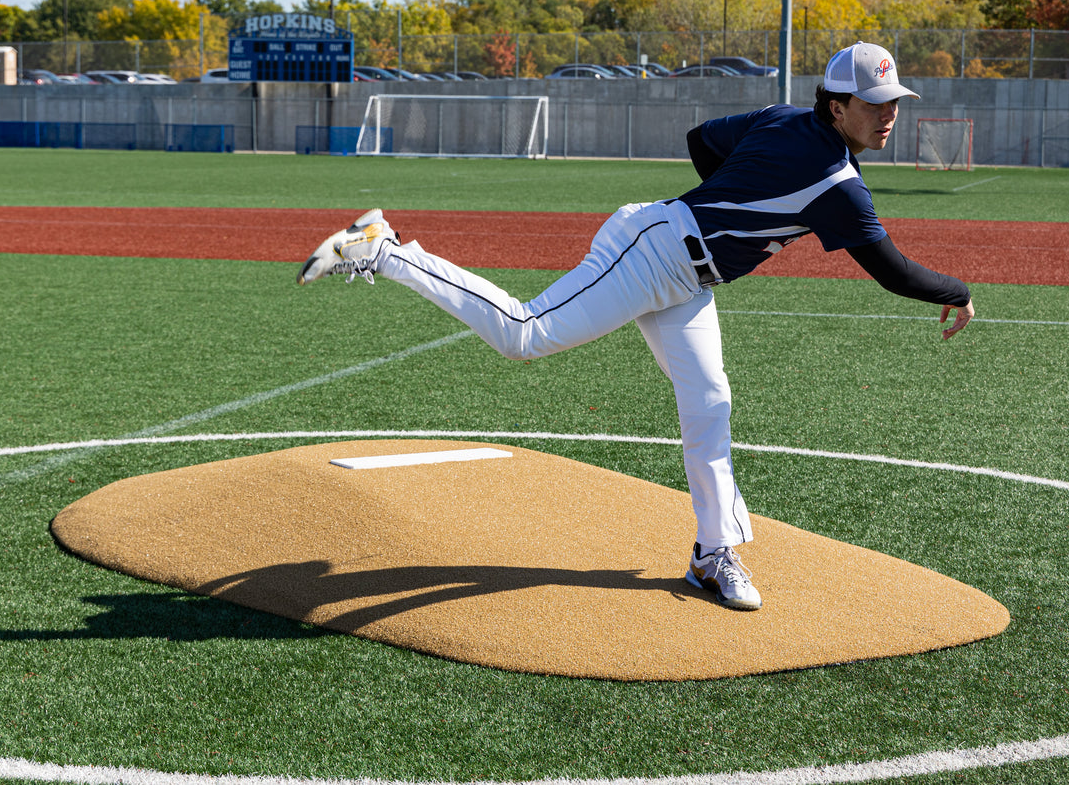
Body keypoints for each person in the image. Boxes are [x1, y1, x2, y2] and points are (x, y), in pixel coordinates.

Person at [296, 42, 974, 612]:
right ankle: (385, 249)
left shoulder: (781, 118)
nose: (889, 114)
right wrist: (960, 292)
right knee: (523, 335)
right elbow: (892, 272)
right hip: (652, 251)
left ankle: (712, 554)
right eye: (874, 103)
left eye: (894, 102)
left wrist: (724, 202)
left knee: (709, 400)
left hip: (682, 269)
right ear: (836, 106)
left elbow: (702, 141)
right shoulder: (837, 184)